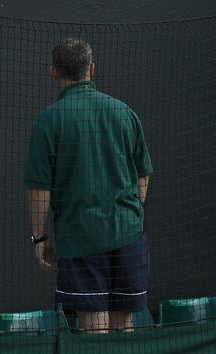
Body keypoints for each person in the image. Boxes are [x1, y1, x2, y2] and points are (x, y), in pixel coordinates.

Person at [24, 38, 152, 333]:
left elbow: (39, 189)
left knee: (94, 324)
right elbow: (143, 171)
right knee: (125, 320)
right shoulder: (123, 112)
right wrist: (133, 209)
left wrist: (40, 239)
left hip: (80, 239)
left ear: (53, 72)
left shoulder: (48, 121)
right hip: (128, 234)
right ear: (91, 70)